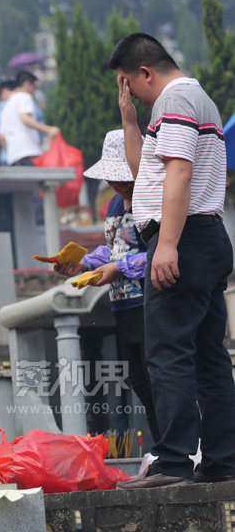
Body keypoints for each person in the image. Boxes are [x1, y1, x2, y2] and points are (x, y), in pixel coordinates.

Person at [111, 32, 235, 488]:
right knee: (207, 354)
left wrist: (166, 244)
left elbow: (179, 172)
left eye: (129, 86)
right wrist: (129, 121)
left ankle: (173, 461)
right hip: (203, 239)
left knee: (166, 354)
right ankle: (222, 458)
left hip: (182, 238)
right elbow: (151, 173)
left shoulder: (175, 100)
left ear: (145, 72)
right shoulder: (192, 101)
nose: (133, 97)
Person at [54, 129, 160, 444]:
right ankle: (167, 450)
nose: (117, 184)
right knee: (139, 381)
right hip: (122, 305)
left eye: (123, 177)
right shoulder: (114, 204)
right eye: (113, 178)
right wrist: (85, 263)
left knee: (161, 381)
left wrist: (120, 268)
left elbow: (159, 251)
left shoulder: (151, 197)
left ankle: (184, 450)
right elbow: (115, 248)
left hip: (150, 301)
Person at [0, 70, 60, 166]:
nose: (34, 91)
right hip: (28, 152)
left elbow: (1, 136)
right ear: (27, 84)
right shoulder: (24, 97)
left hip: (13, 157)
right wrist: (49, 130)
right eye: (34, 87)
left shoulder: (6, 106)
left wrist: (11, 151)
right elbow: (25, 119)